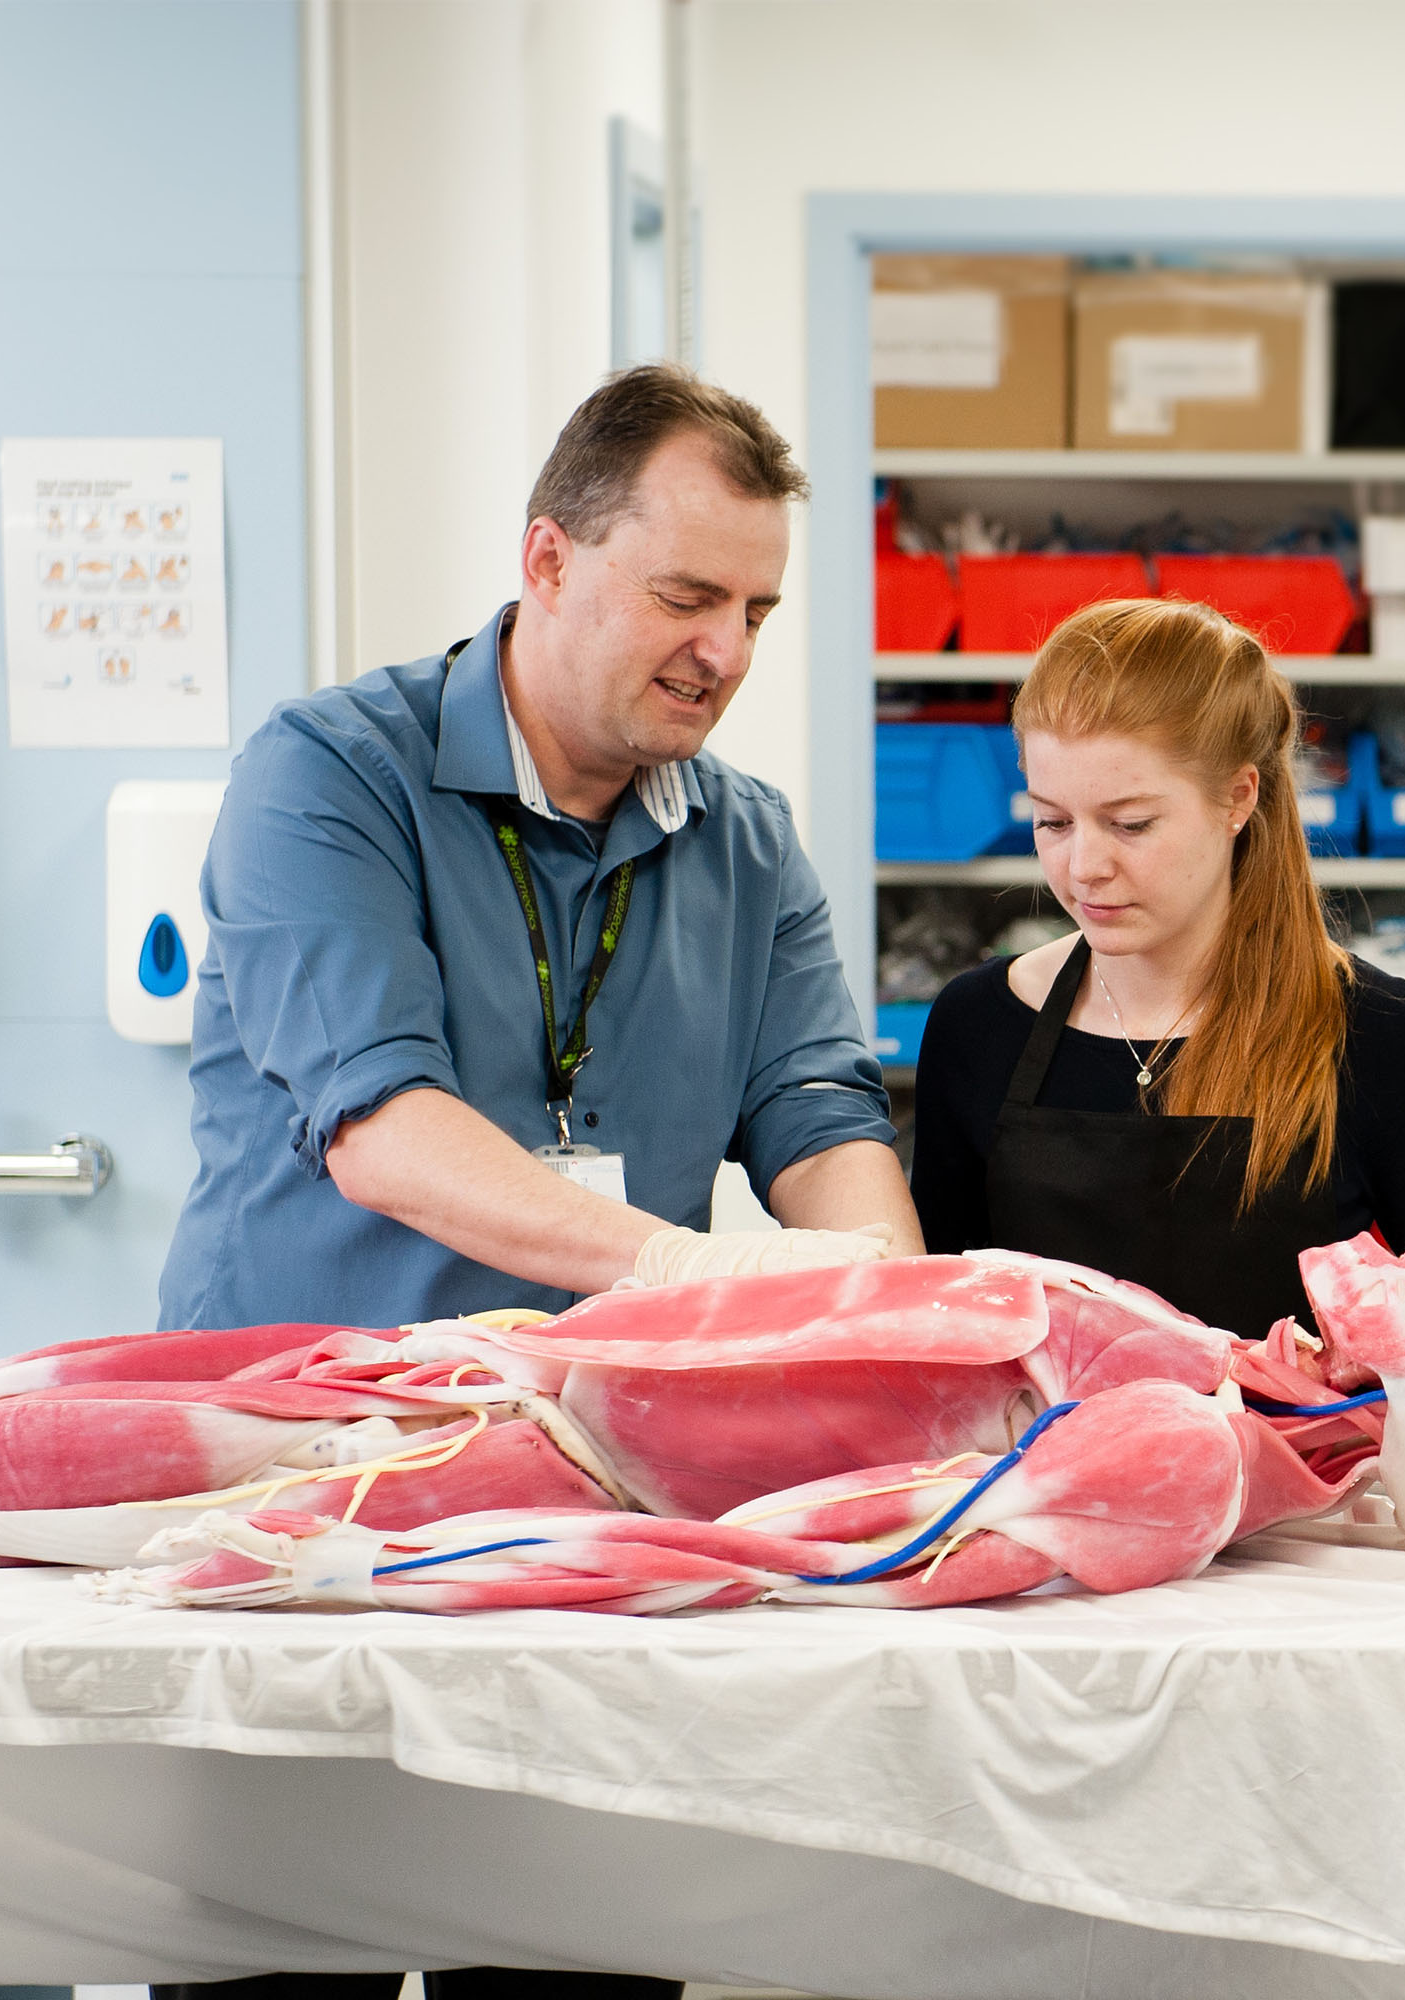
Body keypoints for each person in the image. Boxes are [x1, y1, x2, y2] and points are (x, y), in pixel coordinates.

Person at [153, 365, 921, 2000]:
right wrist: (699, 1275)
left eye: (758, 612)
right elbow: (384, 1128)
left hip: (582, 1505)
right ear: (549, 560)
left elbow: (818, 1112)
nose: (726, 651)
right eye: (688, 597)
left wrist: (880, 1296)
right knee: (284, 1959)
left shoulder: (747, 842)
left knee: (575, 1958)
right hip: (307, 1487)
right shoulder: (328, 778)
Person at [911, 596, 1405, 1337]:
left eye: (1130, 824)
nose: (1084, 866)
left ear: (1237, 798)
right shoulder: (977, 1026)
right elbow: (942, 1329)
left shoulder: (1372, 1030)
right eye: (1052, 820)